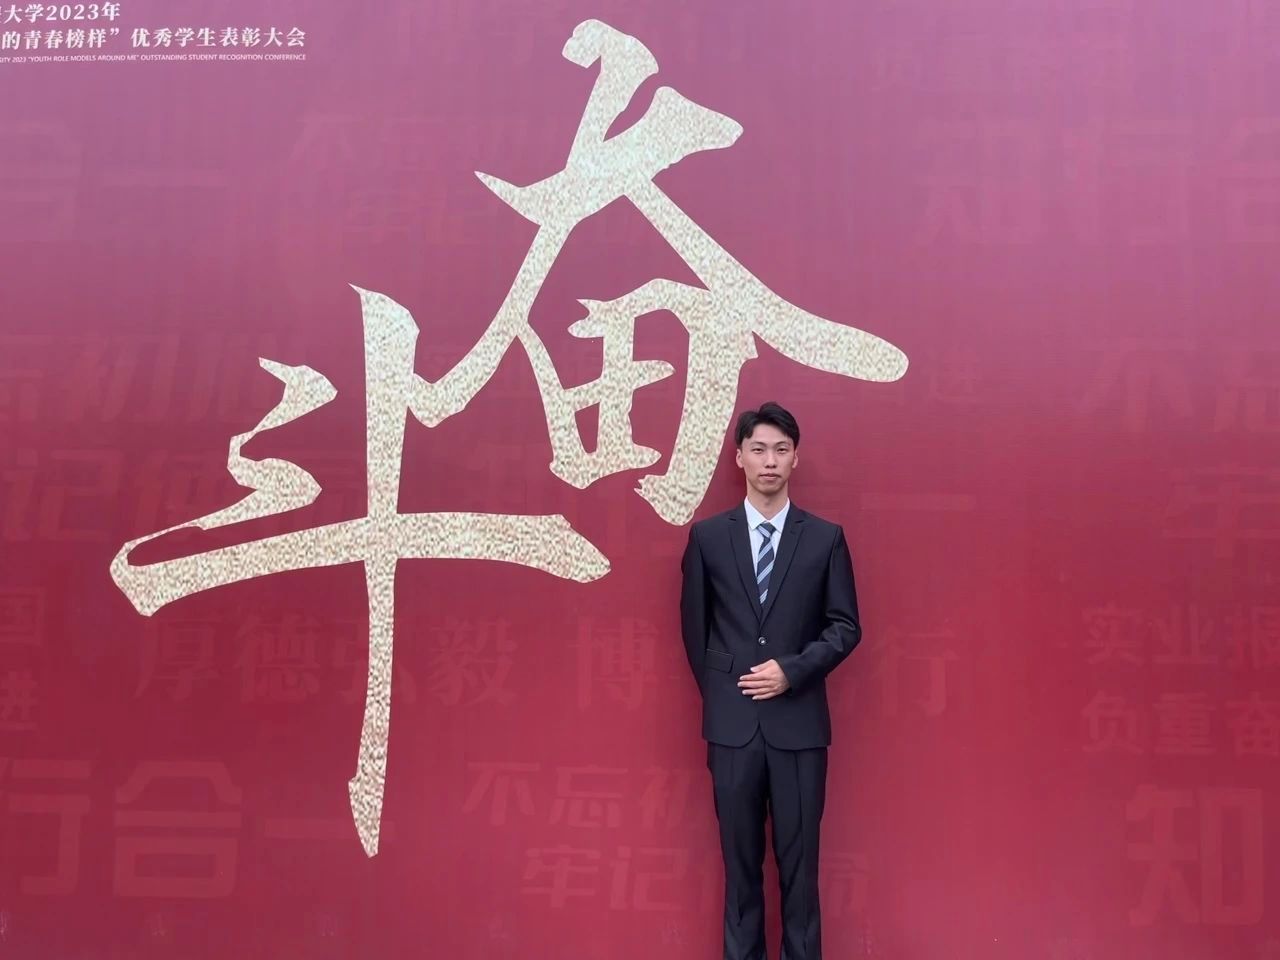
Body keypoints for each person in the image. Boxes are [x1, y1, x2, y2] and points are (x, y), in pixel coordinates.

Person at [680, 401, 862, 960]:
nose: (769, 461)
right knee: (740, 874)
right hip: (733, 729)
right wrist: (725, 696)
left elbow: (845, 627)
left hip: (799, 729)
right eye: (758, 449)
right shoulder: (709, 538)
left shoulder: (825, 538)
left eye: (781, 450)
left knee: (800, 873)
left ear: (795, 458)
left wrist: (792, 670)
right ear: (739, 457)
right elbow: (695, 631)